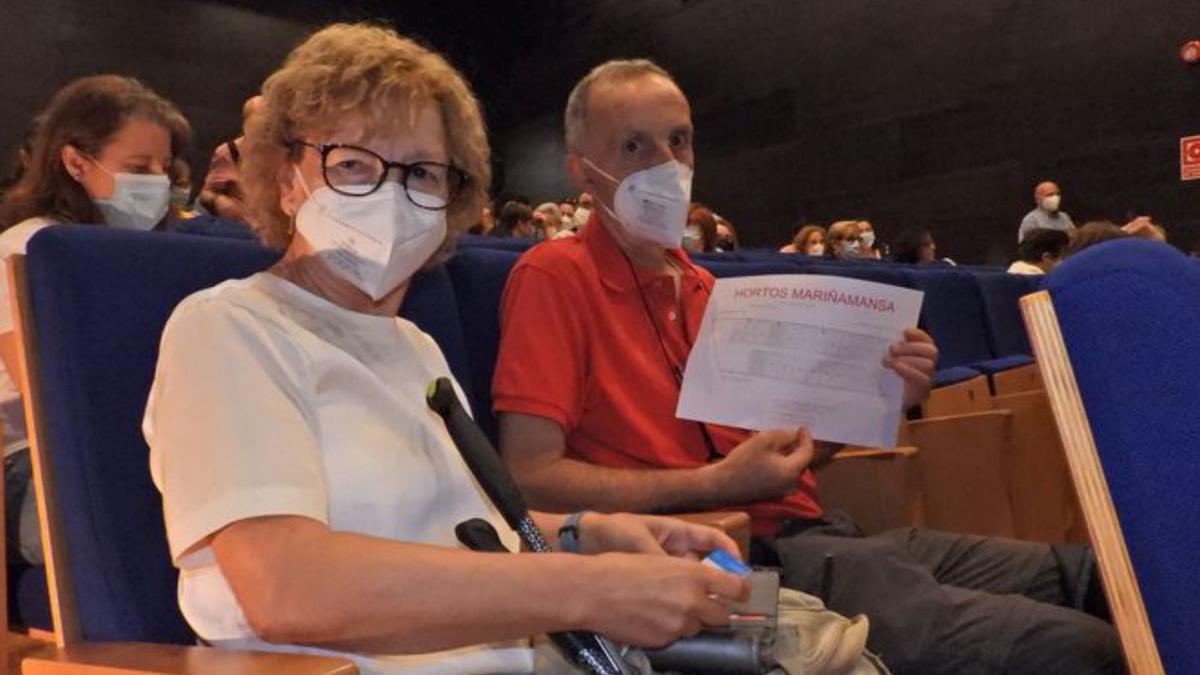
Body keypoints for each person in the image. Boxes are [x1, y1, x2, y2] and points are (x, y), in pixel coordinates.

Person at [145, 25, 746, 675]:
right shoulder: (229, 327)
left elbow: (455, 533)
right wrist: (590, 586)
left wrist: (586, 532)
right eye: (353, 166)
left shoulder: (414, 345)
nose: (391, 194)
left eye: (423, 174)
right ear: (288, 179)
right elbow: (285, 586)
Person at [492, 58, 1123, 675]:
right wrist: (715, 485)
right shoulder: (554, 276)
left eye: (679, 141)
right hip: (739, 562)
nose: (666, 165)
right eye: (634, 146)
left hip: (830, 536)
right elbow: (530, 479)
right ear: (584, 170)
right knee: (1083, 649)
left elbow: (784, 459)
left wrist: (881, 395)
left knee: (1106, 574)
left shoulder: (708, 288)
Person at [0, 74, 189, 568]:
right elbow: (47, 398)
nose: (158, 183)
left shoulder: (161, 255)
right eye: (138, 167)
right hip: (36, 463)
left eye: (164, 169)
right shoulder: (26, 248)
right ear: (75, 161)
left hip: (144, 449)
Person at [196, 95, 263, 222]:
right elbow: (204, 194)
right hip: (239, 227)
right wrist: (219, 202)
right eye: (257, 121)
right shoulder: (229, 151)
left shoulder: (288, 153)